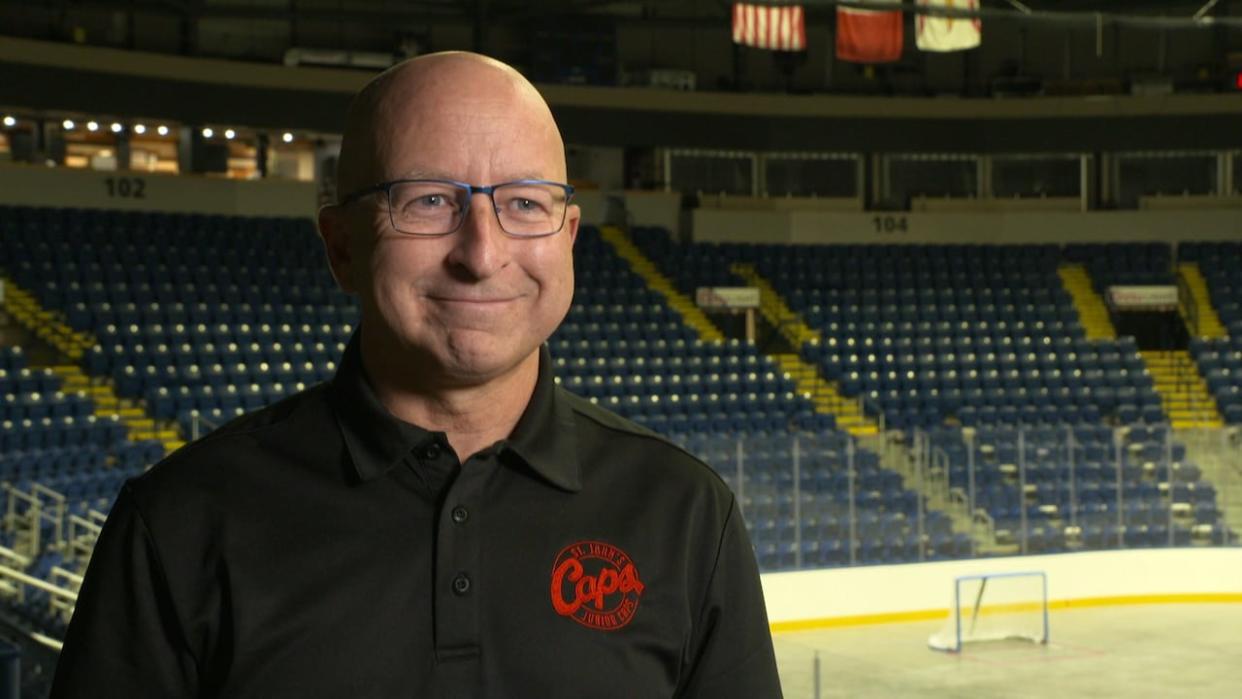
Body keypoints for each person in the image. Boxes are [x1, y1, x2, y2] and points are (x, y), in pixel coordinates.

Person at [51, 52, 782, 698]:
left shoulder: (688, 514)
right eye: (429, 200)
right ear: (340, 246)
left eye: (525, 203)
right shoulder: (178, 522)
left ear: (569, 239)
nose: (482, 252)